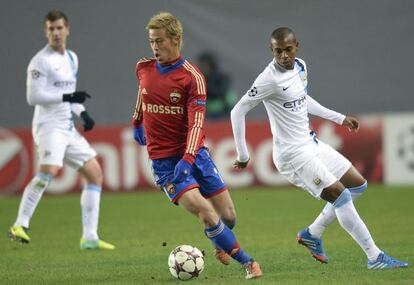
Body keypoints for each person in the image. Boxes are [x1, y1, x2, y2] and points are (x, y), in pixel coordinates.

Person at [231, 27, 408, 270]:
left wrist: (339, 118)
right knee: (340, 194)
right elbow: (237, 110)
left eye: (288, 49)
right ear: (271, 51)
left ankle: (312, 234)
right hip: (293, 154)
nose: (283, 55)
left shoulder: (301, 66)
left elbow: (303, 99)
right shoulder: (268, 79)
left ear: (297, 47)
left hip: (311, 143)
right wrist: (242, 155)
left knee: (357, 184)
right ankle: (375, 257)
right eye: (278, 51)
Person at [132, 12, 262, 279]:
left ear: (176, 39)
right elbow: (143, 92)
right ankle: (248, 263)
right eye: (151, 41)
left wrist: (189, 158)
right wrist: (137, 121)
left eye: (159, 41)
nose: (154, 47)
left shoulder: (192, 77)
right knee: (205, 211)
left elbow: (197, 125)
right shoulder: (143, 68)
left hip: (194, 155)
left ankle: (220, 242)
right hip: (165, 163)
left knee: (228, 216)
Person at [8, 10, 114, 250]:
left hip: (67, 126)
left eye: (59, 28)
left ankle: (89, 237)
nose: (55, 33)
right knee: (49, 170)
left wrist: (82, 112)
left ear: (67, 30)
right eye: (51, 29)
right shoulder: (40, 61)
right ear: (46, 32)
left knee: (94, 173)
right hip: (48, 127)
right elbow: (33, 96)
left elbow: (70, 94)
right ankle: (19, 224)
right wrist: (68, 96)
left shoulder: (72, 58)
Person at [197, 51, 237, 119]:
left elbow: (220, 92)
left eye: (204, 65)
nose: (201, 67)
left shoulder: (222, 78)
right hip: (204, 115)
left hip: (221, 113)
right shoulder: (198, 78)